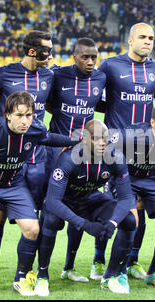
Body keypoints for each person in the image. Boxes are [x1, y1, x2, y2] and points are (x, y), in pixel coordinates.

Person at [0, 91, 78, 298]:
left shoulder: (35, 129)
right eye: (19, 115)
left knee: (32, 229)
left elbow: (50, 138)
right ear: (8, 115)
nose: (25, 121)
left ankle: (20, 278)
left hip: (13, 184)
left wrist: (76, 142)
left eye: (29, 115)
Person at [0, 30, 54, 290]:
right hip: (7, 157)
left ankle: (27, 271)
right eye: (47, 49)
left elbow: (53, 104)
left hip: (37, 159)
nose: (51, 54)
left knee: (36, 217)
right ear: (32, 51)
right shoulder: (4, 74)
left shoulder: (49, 75)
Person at [96, 22, 155, 279]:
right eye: (142, 37)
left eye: (151, 37)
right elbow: (94, 96)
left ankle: (131, 261)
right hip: (117, 150)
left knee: (140, 209)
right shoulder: (110, 65)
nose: (148, 41)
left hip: (147, 150)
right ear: (130, 40)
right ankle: (98, 260)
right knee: (116, 207)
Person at [37, 119, 136, 295]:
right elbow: (52, 201)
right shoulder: (69, 159)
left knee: (128, 220)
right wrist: (85, 224)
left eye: (105, 138)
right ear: (84, 139)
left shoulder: (115, 157)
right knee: (50, 220)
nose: (102, 143)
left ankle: (110, 277)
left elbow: (127, 197)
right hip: (63, 200)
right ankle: (42, 276)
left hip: (89, 197)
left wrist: (112, 222)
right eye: (96, 138)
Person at [41, 37, 107, 283]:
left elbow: (100, 103)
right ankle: (40, 270)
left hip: (87, 155)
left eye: (94, 57)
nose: (90, 62)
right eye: (85, 57)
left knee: (79, 206)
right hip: (55, 155)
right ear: (75, 57)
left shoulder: (100, 78)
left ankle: (68, 268)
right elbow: (47, 102)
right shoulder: (58, 76)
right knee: (50, 212)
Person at [112, 104, 155, 289]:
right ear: (152, 122)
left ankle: (153, 272)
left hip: (152, 179)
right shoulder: (132, 135)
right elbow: (99, 140)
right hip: (127, 178)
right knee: (131, 221)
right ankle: (120, 273)